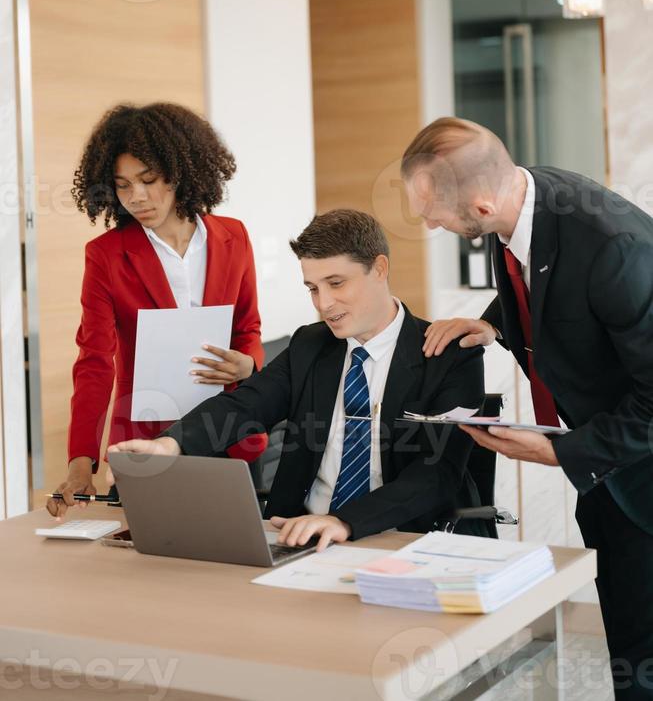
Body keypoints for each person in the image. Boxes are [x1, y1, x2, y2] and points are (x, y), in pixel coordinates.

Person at [401, 115, 653, 699]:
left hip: (640, 472)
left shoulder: (616, 249)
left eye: (432, 211)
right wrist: (492, 322)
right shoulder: (522, 197)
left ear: (483, 207)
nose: (426, 222)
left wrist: (560, 450)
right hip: (608, 470)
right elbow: (549, 284)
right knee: (626, 641)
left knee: (643, 651)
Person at [109, 209, 487, 551]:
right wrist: (170, 445)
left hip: (400, 537)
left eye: (336, 283)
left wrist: (344, 521)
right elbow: (246, 405)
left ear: (380, 269)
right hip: (297, 536)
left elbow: (436, 473)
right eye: (312, 288)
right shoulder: (310, 344)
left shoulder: (451, 355)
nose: (324, 304)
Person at [47, 102, 266, 518]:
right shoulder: (105, 256)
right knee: (149, 566)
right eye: (123, 185)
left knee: (231, 560)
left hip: (227, 429)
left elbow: (248, 328)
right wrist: (81, 461)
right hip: (145, 439)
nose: (137, 198)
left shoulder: (233, 237)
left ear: (180, 171)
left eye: (148, 180)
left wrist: (248, 365)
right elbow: (94, 361)